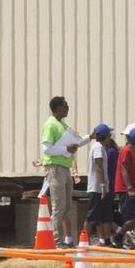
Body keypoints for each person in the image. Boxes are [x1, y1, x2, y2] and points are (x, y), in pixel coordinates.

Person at [40, 96, 92, 248]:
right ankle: (56, 241)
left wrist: (90, 137)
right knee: (58, 206)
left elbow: (77, 141)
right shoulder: (50, 125)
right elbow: (47, 149)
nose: (67, 109)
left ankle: (62, 240)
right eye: (65, 106)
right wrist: (66, 149)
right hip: (55, 168)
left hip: (64, 168)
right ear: (58, 108)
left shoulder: (62, 125)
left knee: (66, 206)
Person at [84, 124, 115, 246]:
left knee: (104, 216)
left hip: (102, 187)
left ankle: (106, 241)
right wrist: (102, 186)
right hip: (96, 188)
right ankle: (84, 241)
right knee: (92, 216)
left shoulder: (100, 147)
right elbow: (99, 166)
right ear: (106, 136)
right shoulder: (98, 148)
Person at [114, 124, 135, 248]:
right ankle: (119, 236)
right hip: (125, 188)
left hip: (134, 187)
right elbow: (124, 169)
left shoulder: (134, 151)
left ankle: (127, 240)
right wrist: (130, 188)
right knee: (132, 217)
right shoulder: (127, 150)